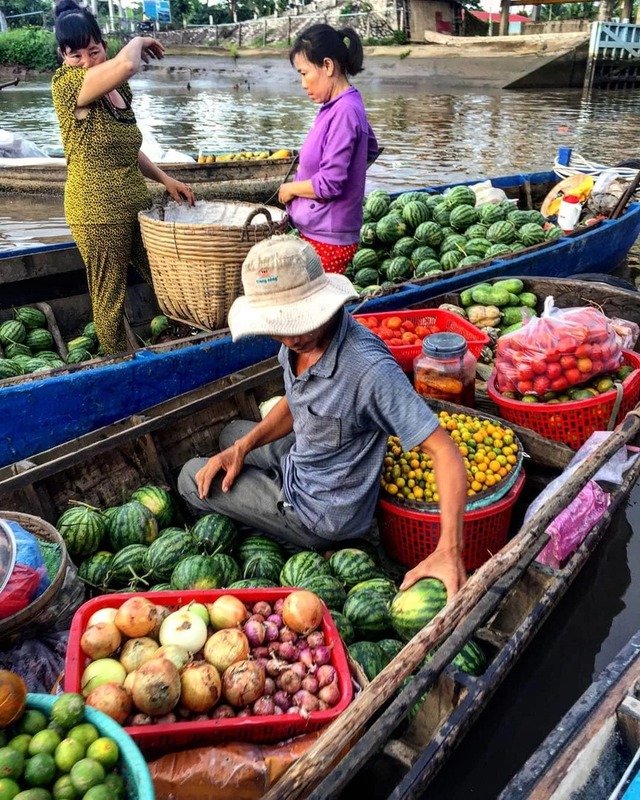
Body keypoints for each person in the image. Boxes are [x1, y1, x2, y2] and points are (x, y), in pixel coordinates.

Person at [178, 236, 468, 598]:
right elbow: (297, 400)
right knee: (230, 435)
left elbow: (445, 451)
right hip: (306, 458)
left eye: (297, 323)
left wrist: (448, 551)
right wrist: (242, 448)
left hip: (320, 511)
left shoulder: (369, 370)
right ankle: (255, 476)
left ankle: (295, 539)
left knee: (190, 477)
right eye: (278, 326)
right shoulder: (295, 344)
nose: (288, 337)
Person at [52, 0, 195, 356]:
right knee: (109, 297)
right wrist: (139, 39)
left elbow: (128, 146)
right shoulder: (68, 86)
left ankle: (183, 343)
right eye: (76, 56)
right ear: (63, 57)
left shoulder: (119, 91)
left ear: (103, 46)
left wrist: (165, 179)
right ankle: (119, 364)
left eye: (94, 51)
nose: (87, 61)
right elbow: (129, 62)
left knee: (163, 276)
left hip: (136, 206)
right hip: (97, 211)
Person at [277, 24, 378, 275]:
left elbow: (331, 183)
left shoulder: (343, 111)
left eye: (304, 73)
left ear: (328, 66)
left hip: (328, 238)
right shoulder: (341, 105)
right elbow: (370, 148)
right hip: (320, 228)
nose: (302, 83)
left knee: (312, 311)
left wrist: (290, 189)